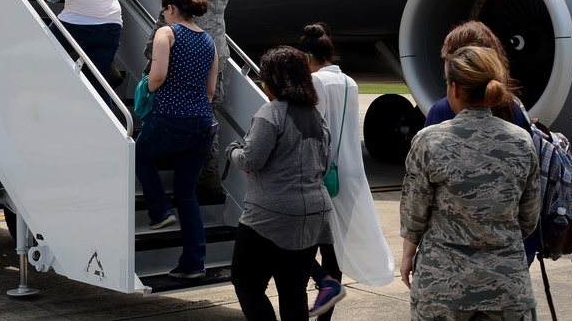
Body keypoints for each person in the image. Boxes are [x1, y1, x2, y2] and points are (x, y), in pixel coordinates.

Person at [400, 45, 540, 321]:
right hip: (506, 287)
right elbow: (528, 217)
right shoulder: (521, 141)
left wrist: (408, 256)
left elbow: (414, 215)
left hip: (443, 286)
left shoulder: (430, 141)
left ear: (454, 88)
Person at [227, 45, 333, 321]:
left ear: (273, 79)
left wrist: (233, 152)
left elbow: (251, 159)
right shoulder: (315, 116)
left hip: (271, 213)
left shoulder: (271, 113)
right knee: (293, 291)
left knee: (246, 282)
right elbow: (323, 163)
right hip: (313, 210)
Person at [297, 23, 394, 319]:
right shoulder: (350, 82)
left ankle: (310, 296)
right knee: (332, 249)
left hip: (324, 174)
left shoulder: (315, 81)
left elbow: (315, 127)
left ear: (309, 56)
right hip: (350, 172)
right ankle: (326, 313)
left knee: (301, 247)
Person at [424, 20, 538, 266]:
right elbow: (530, 203)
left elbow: (422, 196)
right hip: (512, 250)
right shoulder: (516, 110)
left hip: (456, 254)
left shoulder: (443, 112)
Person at [135, 0, 218, 280]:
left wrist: (149, 88)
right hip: (203, 123)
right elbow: (210, 91)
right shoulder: (209, 40)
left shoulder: (166, 33)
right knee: (187, 193)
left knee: (140, 155)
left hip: (171, 117)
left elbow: (157, 76)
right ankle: (194, 262)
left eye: (163, 9)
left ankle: (160, 211)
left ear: (171, 8)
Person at [147, 0, 231, 192]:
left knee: (177, 105)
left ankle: (177, 161)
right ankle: (208, 174)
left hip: (185, 45)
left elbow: (170, 9)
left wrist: (153, 47)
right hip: (217, 46)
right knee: (208, 108)